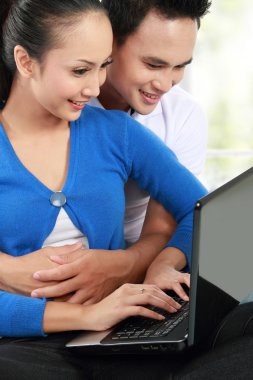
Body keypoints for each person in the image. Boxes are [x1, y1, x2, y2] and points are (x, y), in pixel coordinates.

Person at [0, 0, 207, 378]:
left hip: (118, 326)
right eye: (81, 70)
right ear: (26, 62)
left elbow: (205, 211)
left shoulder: (117, 132)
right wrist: (84, 314)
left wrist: (160, 264)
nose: (94, 86)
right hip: (24, 341)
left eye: (103, 67)